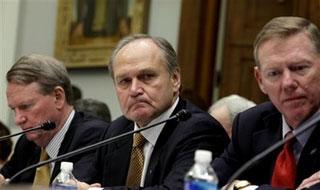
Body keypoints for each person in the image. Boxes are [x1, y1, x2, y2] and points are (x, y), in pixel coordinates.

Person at [79, 34, 230, 189]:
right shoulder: (116, 131)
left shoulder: (199, 130)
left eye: (147, 76)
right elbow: (86, 181)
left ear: (175, 79)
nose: (134, 90)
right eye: (125, 81)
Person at [213, 16, 320, 190]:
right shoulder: (250, 124)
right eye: (274, 73)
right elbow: (202, 184)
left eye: (299, 68)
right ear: (260, 79)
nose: (287, 83)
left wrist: (245, 189)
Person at [0, 54, 109, 188]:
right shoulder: (26, 143)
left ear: (58, 97)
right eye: (13, 109)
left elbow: (68, 187)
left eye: (26, 106)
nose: (18, 120)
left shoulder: (93, 136)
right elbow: (7, 179)